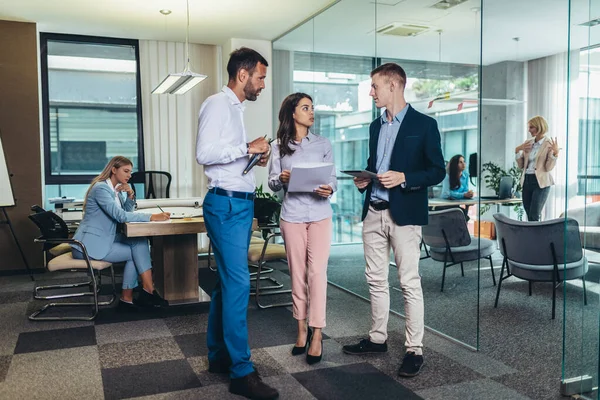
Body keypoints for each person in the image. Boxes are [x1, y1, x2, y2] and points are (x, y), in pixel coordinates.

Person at [342, 63, 445, 378]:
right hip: (373, 210)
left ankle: (415, 349)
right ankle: (378, 338)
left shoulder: (424, 125)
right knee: (375, 279)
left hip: (404, 214)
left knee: (408, 282)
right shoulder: (376, 127)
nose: (370, 92)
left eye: (374, 86)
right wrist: (365, 178)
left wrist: (404, 177)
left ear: (393, 86)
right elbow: (376, 165)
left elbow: (437, 170)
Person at [196, 47, 278, 400]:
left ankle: (218, 357)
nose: (262, 83)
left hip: (239, 205)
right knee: (239, 284)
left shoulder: (236, 109)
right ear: (242, 75)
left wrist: (253, 157)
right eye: (260, 76)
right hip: (227, 206)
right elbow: (205, 153)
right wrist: (247, 147)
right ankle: (241, 373)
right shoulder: (218, 104)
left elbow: (228, 157)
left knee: (226, 284)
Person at [268, 93, 336, 365]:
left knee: (317, 273)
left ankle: (317, 334)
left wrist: (329, 187)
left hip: (320, 214)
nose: (312, 112)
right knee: (297, 274)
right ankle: (300, 331)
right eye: (306, 108)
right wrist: (281, 178)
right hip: (293, 216)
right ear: (292, 113)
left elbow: (333, 179)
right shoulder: (277, 147)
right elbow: (272, 183)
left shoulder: (323, 143)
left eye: (312, 108)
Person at [71, 156, 171, 309]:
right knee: (136, 253)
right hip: (87, 246)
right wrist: (152, 217)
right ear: (113, 170)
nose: (129, 175)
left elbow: (125, 213)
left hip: (104, 239)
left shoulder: (116, 190)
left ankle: (137, 294)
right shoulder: (101, 188)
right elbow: (120, 216)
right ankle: (143, 293)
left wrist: (130, 195)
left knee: (140, 241)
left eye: (130, 172)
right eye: (126, 171)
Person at [515, 115, 559, 221]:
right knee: (528, 213)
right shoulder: (528, 143)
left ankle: (535, 237)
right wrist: (517, 150)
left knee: (534, 214)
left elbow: (548, 168)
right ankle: (532, 237)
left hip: (541, 182)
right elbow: (521, 165)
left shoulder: (549, 144)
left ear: (539, 127)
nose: (529, 130)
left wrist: (555, 153)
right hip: (527, 180)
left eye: (531, 127)